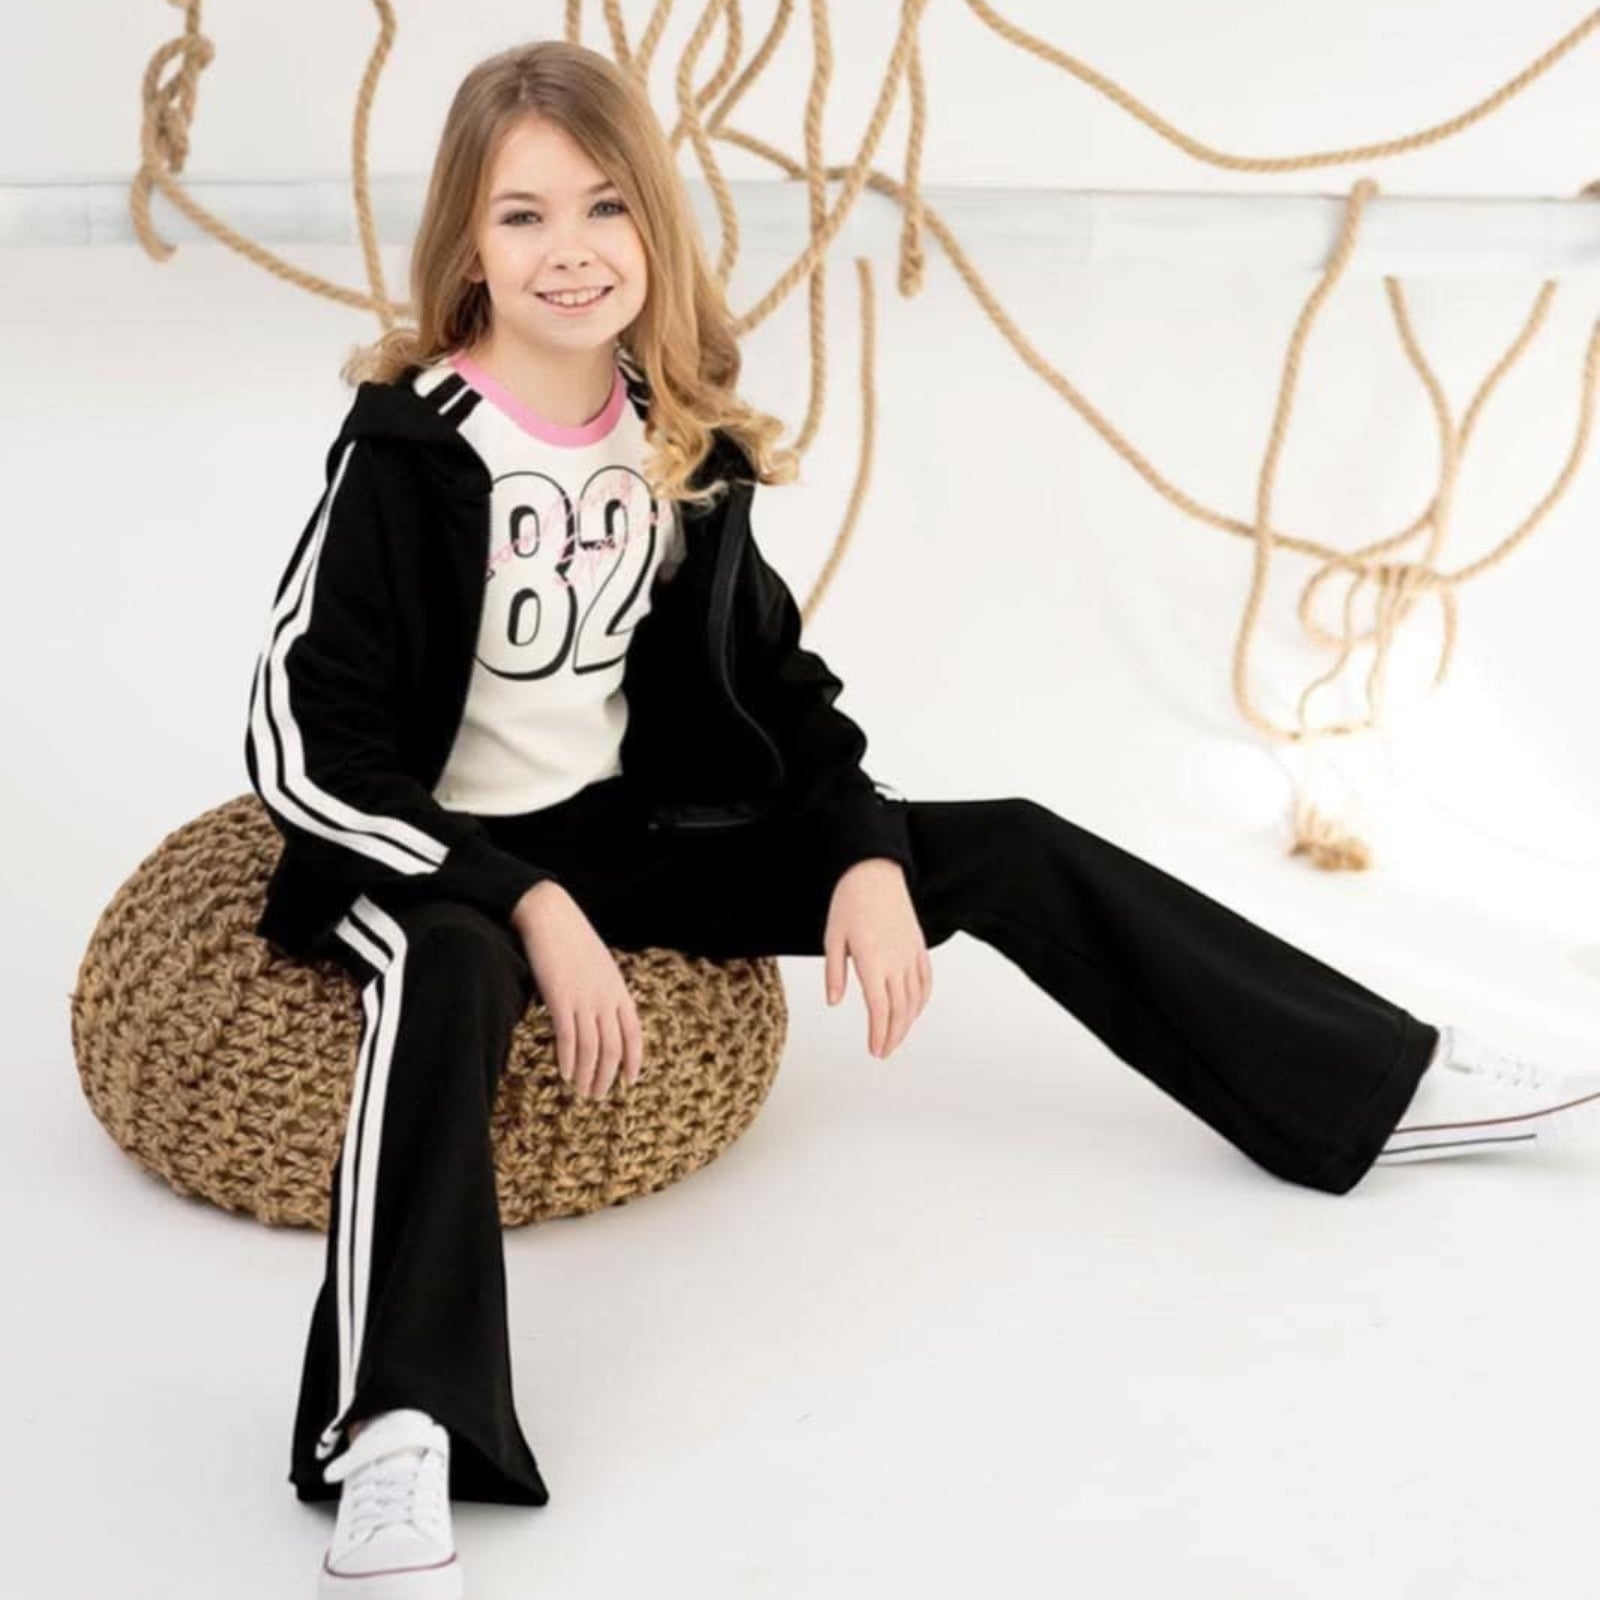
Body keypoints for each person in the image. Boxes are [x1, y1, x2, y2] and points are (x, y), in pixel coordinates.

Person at [242, 38, 1600, 1600]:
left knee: (1011, 839)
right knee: (452, 971)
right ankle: (394, 1426)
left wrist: (867, 852)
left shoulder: (672, 436)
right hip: (425, 850)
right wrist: (521, 900)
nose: (571, 250)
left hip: (623, 827)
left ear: (654, 227)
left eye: (605, 207)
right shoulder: (412, 445)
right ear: (467, 245)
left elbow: (777, 688)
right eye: (523, 215)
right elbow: (300, 739)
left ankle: (1375, 1081)